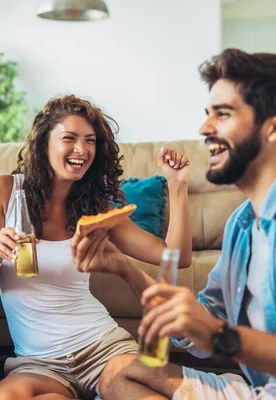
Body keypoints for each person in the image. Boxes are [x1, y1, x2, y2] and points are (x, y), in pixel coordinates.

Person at [0, 94, 193, 400]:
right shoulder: (6, 191)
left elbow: (176, 257)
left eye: (90, 141)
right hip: (39, 364)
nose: (81, 149)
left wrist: (178, 186)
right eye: (69, 138)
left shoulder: (95, 210)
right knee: (4, 397)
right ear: (43, 144)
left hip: (102, 349)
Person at [95, 48, 276, 400]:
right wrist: (123, 268)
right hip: (260, 388)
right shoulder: (241, 225)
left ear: (271, 128)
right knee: (118, 372)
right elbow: (204, 319)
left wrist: (221, 335)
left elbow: (213, 330)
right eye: (207, 114)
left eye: (222, 115)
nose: (204, 129)